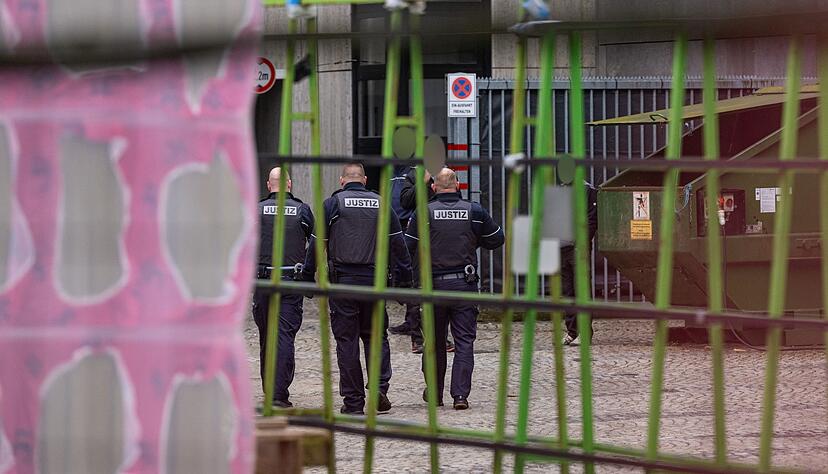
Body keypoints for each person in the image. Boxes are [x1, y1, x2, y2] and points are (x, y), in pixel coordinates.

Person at [301, 163, 414, 415]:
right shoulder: (381, 203)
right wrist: (405, 283)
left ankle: (353, 402)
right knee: (376, 336)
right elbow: (399, 245)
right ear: (364, 180)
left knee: (347, 341)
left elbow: (317, 244)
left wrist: (307, 278)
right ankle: (379, 389)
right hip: (374, 283)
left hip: (342, 284)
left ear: (342, 181)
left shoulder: (332, 205)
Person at [404, 168, 504, 410]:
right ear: (458, 185)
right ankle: (460, 396)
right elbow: (497, 238)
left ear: (433, 187)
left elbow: (408, 246)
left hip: (433, 287)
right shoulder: (474, 211)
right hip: (464, 285)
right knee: (464, 341)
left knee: (434, 343)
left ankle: (435, 394)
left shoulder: (424, 212)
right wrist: (473, 239)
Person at [252, 167, 314, 408]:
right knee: (284, 336)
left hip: (263, 281)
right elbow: (316, 243)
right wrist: (309, 276)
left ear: (269, 185)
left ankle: (270, 389)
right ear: (289, 184)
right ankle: (279, 394)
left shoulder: (256, 210)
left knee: (267, 335)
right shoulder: (302, 210)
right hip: (290, 281)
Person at [389, 166, 455, 354]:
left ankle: (438, 338)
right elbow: (405, 201)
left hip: (438, 238)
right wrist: (422, 182)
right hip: (416, 237)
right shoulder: (414, 175)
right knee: (416, 286)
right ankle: (418, 338)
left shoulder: (444, 174)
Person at [562, 181, 599, 345]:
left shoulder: (587, 190)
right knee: (567, 291)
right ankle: (572, 331)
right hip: (562, 247)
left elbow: (592, 219)